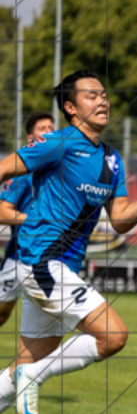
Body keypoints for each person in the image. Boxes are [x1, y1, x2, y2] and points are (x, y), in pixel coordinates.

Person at [0, 69, 137, 414]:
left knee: (22, 367)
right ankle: (34, 376)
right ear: (71, 107)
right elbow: (3, 170)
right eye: (91, 95)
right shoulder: (57, 143)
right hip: (40, 264)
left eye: (104, 94)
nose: (103, 101)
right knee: (113, 336)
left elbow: (121, 219)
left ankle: (29, 374)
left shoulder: (111, 160)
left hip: (60, 269)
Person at [0, 112, 55, 328]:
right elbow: (2, 213)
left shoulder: (61, 169)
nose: (49, 132)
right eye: (43, 128)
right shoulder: (23, 173)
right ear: (30, 138)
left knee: (50, 320)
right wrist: (35, 220)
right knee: (2, 315)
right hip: (19, 257)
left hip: (53, 257)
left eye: (52, 128)